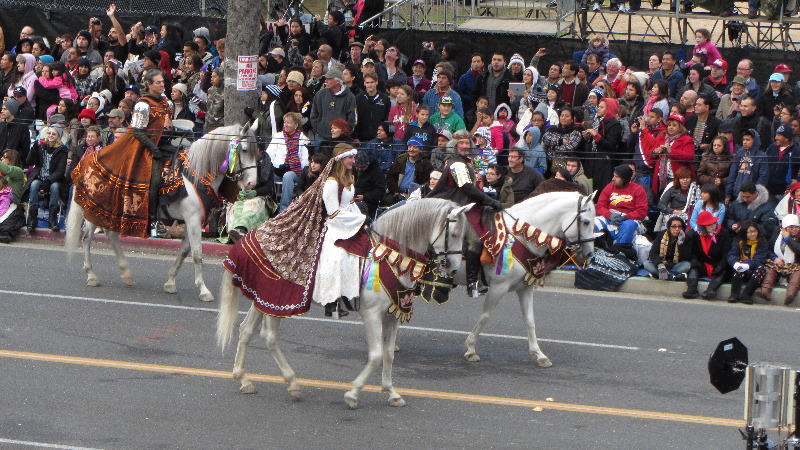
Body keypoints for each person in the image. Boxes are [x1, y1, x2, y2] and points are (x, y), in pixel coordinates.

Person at [72, 69, 170, 238]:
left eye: (163, 82)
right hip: (138, 148)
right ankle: (153, 222)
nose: (162, 85)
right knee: (154, 181)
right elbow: (138, 132)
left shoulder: (163, 103)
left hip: (157, 144)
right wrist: (152, 148)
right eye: (158, 82)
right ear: (148, 84)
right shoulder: (143, 104)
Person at [428, 133, 503, 297]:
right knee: (475, 239)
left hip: (469, 204)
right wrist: (489, 201)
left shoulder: (466, 162)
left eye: (467, 142)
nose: (464, 145)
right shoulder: (456, 164)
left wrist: (487, 199)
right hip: (456, 206)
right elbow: (466, 187)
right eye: (461, 142)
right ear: (454, 145)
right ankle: (472, 283)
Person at [25, 125, 68, 232]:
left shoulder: (62, 150)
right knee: (34, 185)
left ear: (58, 136)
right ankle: (32, 218)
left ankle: (52, 219)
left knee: (54, 187)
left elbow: (60, 171)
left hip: (53, 179)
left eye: (54, 134)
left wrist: (48, 180)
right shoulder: (40, 146)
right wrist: (34, 148)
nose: (51, 135)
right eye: (49, 133)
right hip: (39, 176)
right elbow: (29, 162)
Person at [266, 112, 311, 213]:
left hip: (295, 171)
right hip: (278, 169)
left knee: (288, 176)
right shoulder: (278, 136)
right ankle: (269, 206)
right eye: (284, 122)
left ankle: (283, 209)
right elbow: (269, 155)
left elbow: (305, 161)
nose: (285, 125)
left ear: (295, 125)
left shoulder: (303, 139)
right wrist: (274, 166)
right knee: (267, 175)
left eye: (289, 123)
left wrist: (297, 171)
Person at [752, 214, 800, 306]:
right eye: (791, 227)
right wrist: (775, 258)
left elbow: (798, 249)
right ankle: (765, 292)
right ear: (784, 228)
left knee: (797, 273)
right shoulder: (777, 233)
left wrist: (787, 238)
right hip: (780, 264)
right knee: (770, 269)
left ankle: (790, 295)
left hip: (795, 265)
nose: (794, 229)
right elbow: (769, 249)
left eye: (797, 227)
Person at [594, 164, 648, 245]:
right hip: (610, 217)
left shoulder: (638, 190)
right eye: (613, 176)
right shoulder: (609, 187)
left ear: (624, 178)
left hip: (629, 219)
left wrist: (625, 217)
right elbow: (600, 206)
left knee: (628, 225)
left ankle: (620, 251)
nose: (613, 179)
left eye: (616, 177)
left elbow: (642, 212)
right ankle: (598, 249)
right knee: (595, 221)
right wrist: (609, 215)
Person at [683, 210, 730, 300]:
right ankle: (692, 290)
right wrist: (694, 260)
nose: (713, 226)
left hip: (718, 264)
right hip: (704, 264)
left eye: (714, 223)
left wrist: (721, 265)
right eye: (709, 225)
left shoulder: (724, 233)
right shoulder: (696, 235)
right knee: (693, 267)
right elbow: (694, 252)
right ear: (703, 226)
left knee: (725, 270)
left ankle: (710, 290)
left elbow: (726, 253)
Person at [645, 113, 695, 195]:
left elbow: (689, 157)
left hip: (676, 177)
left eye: (674, 125)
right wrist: (655, 151)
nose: (671, 127)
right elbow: (650, 155)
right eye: (669, 125)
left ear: (680, 127)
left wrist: (671, 151)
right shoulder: (661, 137)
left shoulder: (687, 140)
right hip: (660, 177)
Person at [309, 65, 356, 151]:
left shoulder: (350, 97)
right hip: (321, 137)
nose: (325, 81)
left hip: (340, 140)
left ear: (337, 81)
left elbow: (353, 117)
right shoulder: (320, 94)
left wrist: (345, 134)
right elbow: (313, 114)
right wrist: (318, 130)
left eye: (329, 79)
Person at [582, 97, 623, 190]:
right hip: (591, 160)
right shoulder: (596, 121)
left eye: (602, 107)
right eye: (599, 106)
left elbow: (610, 145)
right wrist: (587, 138)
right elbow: (592, 142)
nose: (598, 109)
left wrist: (595, 135)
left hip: (604, 163)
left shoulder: (615, 124)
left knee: (600, 189)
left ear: (609, 109)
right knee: (589, 187)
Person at [727, 221, 769, 304]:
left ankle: (746, 294)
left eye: (754, 231)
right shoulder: (738, 241)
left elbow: (760, 259)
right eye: (749, 232)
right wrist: (736, 263)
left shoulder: (762, 242)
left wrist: (747, 264)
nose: (752, 234)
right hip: (740, 269)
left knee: (761, 268)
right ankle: (734, 293)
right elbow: (732, 255)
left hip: (753, 269)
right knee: (738, 265)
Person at [385, 138, 434, 205]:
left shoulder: (426, 164)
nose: (411, 149)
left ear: (420, 149)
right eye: (409, 146)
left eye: (415, 147)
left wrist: (415, 194)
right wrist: (398, 192)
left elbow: (426, 182)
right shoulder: (400, 160)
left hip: (417, 194)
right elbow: (390, 178)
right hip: (398, 192)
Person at [725, 129, 768, 204]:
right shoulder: (739, 153)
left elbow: (763, 177)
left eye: (748, 140)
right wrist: (728, 193)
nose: (745, 142)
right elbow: (732, 174)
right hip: (736, 194)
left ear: (755, 140)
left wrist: (755, 193)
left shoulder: (761, 156)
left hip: (752, 196)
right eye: (744, 139)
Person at [644, 216, 692, 281]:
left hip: (675, 266)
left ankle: (660, 275)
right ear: (669, 227)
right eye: (674, 226)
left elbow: (686, 258)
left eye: (679, 227)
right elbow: (653, 253)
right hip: (661, 265)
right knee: (647, 264)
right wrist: (659, 264)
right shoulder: (662, 234)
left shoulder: (686, 237)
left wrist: (681, 244)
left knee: (687, 265)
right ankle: (672, 276)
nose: (677, 229)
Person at [656, 166, 701, 232]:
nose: (685, 180)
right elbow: (661, 204)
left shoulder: (695, 190)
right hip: (674, 214)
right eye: (682, 178)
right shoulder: (672, 189)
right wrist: (673, 211)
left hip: (690, 215)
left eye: (687, 178)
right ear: (678, 179)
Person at [542, 107, 582, 173]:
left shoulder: (575, 132)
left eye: (567, 116)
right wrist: (560, 142)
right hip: (548, 162)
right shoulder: (553, 129)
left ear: (572, 119)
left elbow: (570, 147)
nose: (563, 118)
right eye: (562, 115)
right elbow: (545, 139)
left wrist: (553, 146)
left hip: (565, 165)